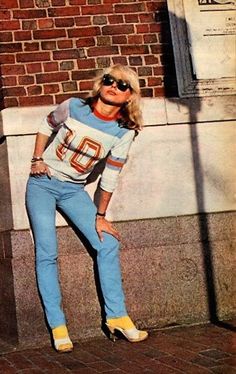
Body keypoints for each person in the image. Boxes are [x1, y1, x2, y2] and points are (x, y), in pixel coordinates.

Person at [26, 64, 148, 353]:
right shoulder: (73, 107)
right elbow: (46, 125)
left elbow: (110, 176)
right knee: (47, 252)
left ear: (130, 96)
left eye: (122, 85)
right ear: (100, 83)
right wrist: (36, 159)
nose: (113, 86)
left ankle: (116, 316)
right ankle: (58, 325)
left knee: (107, 244)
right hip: (42, 184)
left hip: (73, 191)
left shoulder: (124, 131)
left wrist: (100, 216)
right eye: (109, 80)